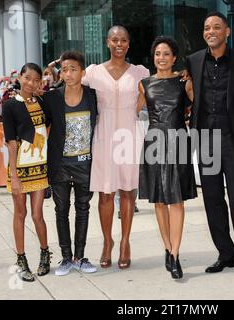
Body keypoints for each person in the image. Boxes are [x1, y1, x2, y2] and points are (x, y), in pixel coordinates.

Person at [186, 12, 234, 275]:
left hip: (231, 137)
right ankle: (225, 254)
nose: (211, 31)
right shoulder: (193, 61)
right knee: (213, 198)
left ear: (227, 31)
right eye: (206, 28)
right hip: (205, 138)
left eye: (216, 27)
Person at [82, 25, 150, 269]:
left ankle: (125, 243)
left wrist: (138, 107)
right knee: (106, 192)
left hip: (130, 134)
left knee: (128, 190)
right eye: (114, 40)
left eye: (123, 40)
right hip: (104, 134)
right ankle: (107, 242)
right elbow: (72, 92)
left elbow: (146, 98)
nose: (119, 44)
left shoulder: (140, 72)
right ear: (107, 42)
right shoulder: (92, 73)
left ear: (128, 44)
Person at [138, 36, 197, 279]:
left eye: (166, 54)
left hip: (178, 142)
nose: (161, 58)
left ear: (174, 58)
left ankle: (175, 253)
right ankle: (167, 247)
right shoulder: (143, 84)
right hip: (153, 142)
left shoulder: (184, 82)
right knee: (159, 201)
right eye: (157, 54)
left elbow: (201, 106)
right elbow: (132, 111)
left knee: (177, 200)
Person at [43, 51, 98, 276]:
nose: (68, 73)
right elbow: (42, 125)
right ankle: (65, 258)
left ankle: (80, 256)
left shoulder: (93, 95)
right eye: (64, 69)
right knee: (61, 210)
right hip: (61, 165)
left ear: (82, 72)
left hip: (85, 163)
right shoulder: (52, 97)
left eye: (73, 69)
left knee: (83, 210)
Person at [2, 63, 51, 282]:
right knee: (20, 214)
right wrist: (14, 176)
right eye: (28, 78)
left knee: (38, 214)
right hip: (19, 168)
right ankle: (21, 259)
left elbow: (48, 127)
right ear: (20, 77)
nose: (31, 83)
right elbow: (11, 142)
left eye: (36, 80)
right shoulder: (10, 105)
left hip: (40, 168)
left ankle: (44, 254)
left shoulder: (42, 101)